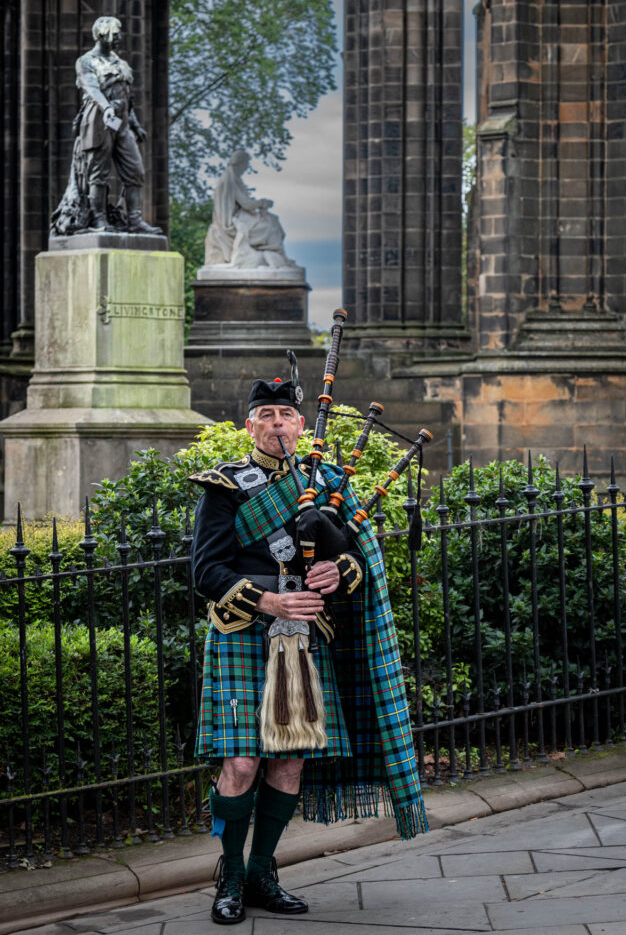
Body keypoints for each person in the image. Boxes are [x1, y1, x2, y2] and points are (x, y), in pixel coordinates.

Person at [190, 372, 427, 925]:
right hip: (243, 632)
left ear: (300, 424)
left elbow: (356, 561)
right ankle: (228, 874)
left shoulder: (324, 486)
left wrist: (336, 569)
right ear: (250, 426)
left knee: (290, 764)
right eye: (265, 416)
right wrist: (270, 601)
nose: (277, 425)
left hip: (304, 640)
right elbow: (205, 572)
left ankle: (262, 873)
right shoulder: (225, 487)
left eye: (285, 416)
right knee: (243, 763)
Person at [51, 15, 161, 236]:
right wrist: (106, 107)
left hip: (120, 122)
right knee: (98, 173)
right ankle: (98, 220)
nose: (120, 37)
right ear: (103, 35)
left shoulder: (122, 64)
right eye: (116, 34)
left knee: (136, 171)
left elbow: (127, 97)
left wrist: (134, 124)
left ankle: (135, 220)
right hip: (98, 118)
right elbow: (91, 88)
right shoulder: (86, 61)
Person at [205, 150, 289, 269]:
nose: (246, 167)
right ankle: (275, 253)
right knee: (271, 223)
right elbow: (246, 204)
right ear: (241, 163)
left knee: (271, 220)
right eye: (246, 164)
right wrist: (262, 203)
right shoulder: (230, 179)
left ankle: (275, 254)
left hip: (236, 216)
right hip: (233, 222)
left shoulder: (229, 177)